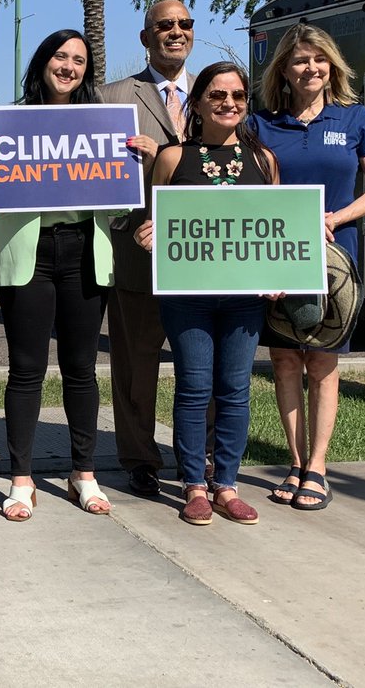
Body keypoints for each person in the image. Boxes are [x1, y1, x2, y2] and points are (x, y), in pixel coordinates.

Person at [0, 30, 147, 521]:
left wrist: (139, 163)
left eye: (79, 60)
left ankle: (82, 473)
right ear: (43, 62)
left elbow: (125, 205)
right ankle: (21, 480)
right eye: (61, 57)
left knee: (82, 369)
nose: (69, 66)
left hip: (86, 249)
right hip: (30, 254)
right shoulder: (9, 122)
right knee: (26, 369)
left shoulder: (104, 125)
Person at [249, 23, 365, 511]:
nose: (310, 68)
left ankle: (318, 467)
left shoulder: (355, 120)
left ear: (332, 66)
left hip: (336, 254)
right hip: (279, 252)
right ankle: (293, 461)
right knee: (285, 359)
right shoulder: (260, 124)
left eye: (318, 60)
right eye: (299, 61)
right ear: (283, 72)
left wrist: (334, 217)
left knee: (323, 363)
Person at [136, 63, 279, 526]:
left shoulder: (265, 161)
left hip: (245, 298)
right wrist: (150, 235)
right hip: (187, 295)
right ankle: (195, 485)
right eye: (217, 95)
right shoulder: (174, 158)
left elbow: (275, 227)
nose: (229, 103)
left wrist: (279, 270)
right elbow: (156, 218)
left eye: (238, 95)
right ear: (196, 103)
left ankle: (228, 486)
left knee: (235, 390)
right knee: (195, 387)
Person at [101, 0, 193, 498]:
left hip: (204, 255)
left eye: (184, 24)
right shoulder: (112, 96)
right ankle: (139, 458)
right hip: (135, 248)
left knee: (201, 362)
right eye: (164, 25)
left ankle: (197, 460)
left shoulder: (220, 91)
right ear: (145, 37)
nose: (175, 32)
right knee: (136, 365)